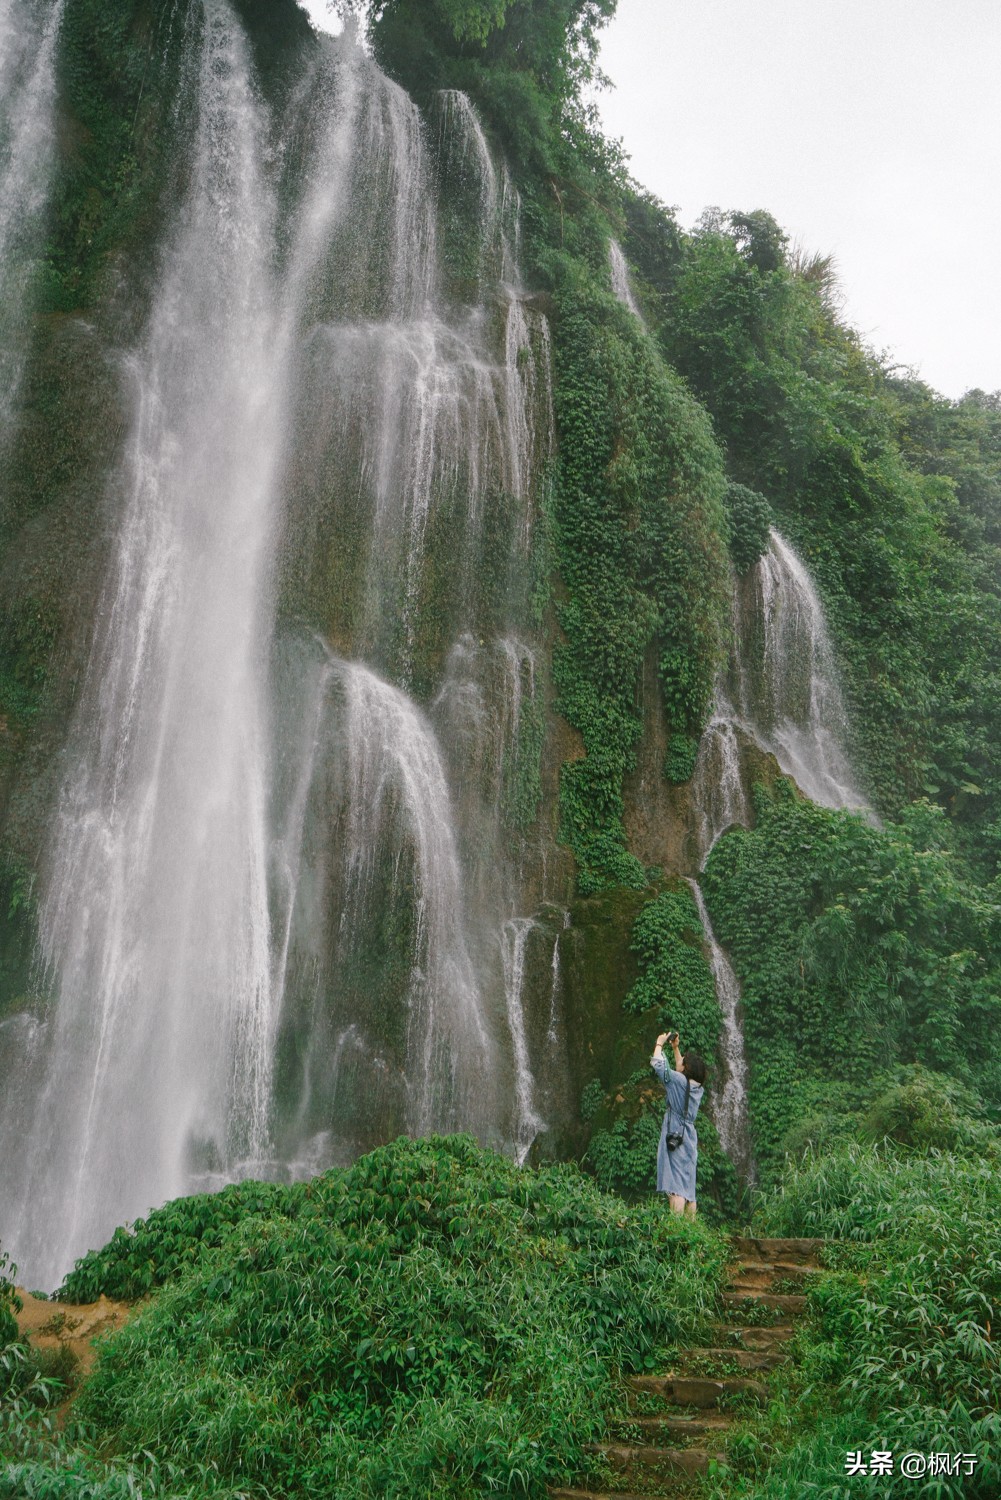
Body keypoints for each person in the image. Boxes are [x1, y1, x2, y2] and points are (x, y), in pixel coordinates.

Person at [651, 1030, 706, 1216]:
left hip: (675, 1131)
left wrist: (659, 1044)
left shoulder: (678, 1082)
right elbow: (679, 1072)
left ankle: (676, 1230)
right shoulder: (696, 1087)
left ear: (686, 1068)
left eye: (683, 1060)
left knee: (675, 1187)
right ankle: (690, 1230)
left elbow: (660, 1066)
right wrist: (675, 1048)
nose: (680, 1060)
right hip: (689, 1136)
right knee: (688, 1187)